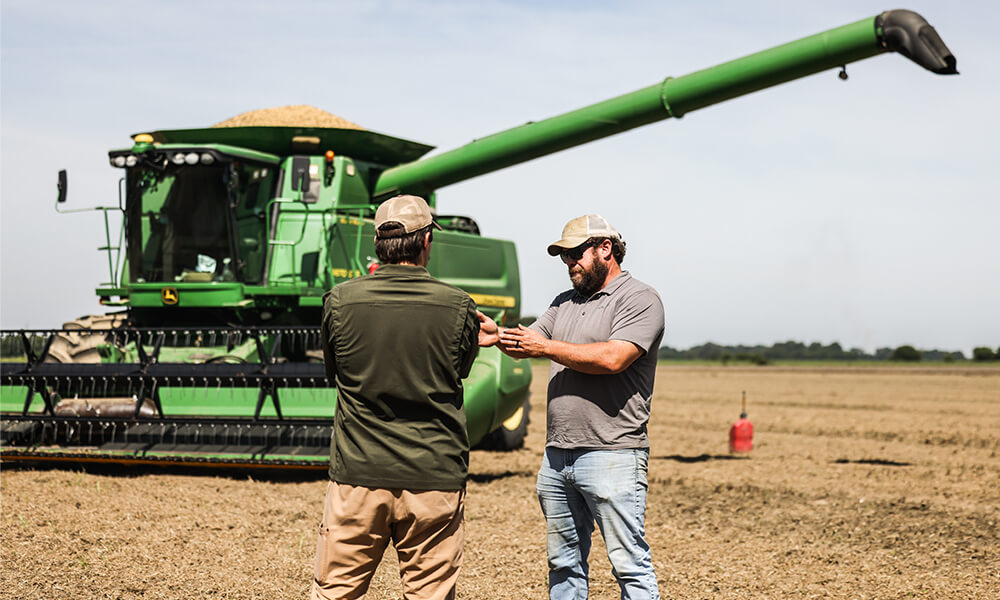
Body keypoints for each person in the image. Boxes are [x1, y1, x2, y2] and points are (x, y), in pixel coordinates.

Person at [312, 195, 500, 600]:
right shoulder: (459, 306)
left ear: (377, 243)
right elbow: (457, 371)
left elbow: (336, 373)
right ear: (427, 240)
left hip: (358, 474)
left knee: (335, 592)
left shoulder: (338, 301)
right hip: (434, 476)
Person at [485, 214, 665, 599]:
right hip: (557, 457)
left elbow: (614, 358)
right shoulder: (564, 302)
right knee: (563, 564)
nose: (569, 263)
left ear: (605, 248)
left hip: (612, 454)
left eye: (575, 253)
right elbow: (528, 342)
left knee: (629, 565)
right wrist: (497, 335)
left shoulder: (640, 299)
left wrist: (546, 347)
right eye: (564, 256)